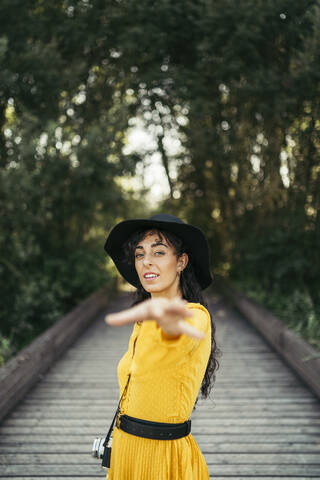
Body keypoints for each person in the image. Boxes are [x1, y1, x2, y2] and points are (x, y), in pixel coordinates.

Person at [103, 213, 221, 479]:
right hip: (126, 449)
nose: (146, 262)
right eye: (139, 254)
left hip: (163, 457)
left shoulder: (195, 316)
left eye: (158, 252)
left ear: (181, 262)